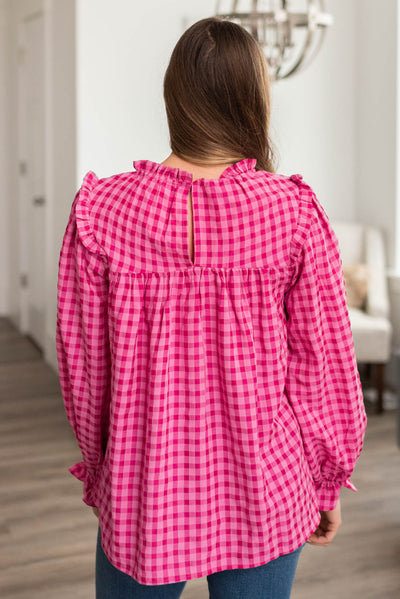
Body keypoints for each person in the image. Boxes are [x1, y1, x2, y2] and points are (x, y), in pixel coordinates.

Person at [55, 16, 368, 599]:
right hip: (266, 485)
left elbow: (84, 372)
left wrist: (105, 470)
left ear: (175, 95)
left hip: (144, 486)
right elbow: (322, 368)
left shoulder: (102, 211)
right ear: (253, 99)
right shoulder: (291, 212)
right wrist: (327, 481)